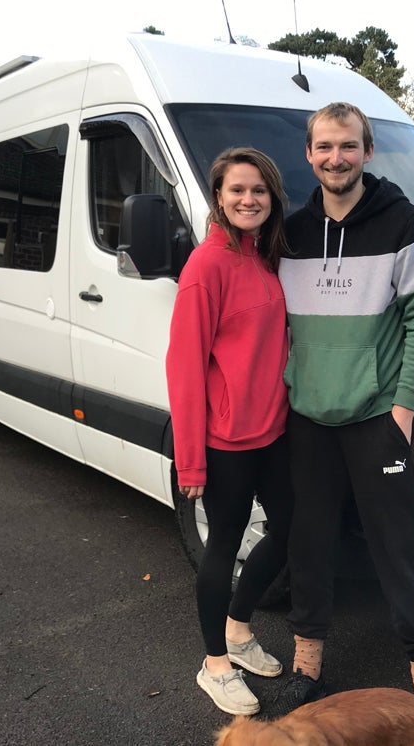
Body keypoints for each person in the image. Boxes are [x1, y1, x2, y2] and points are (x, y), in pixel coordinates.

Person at [273, 102, 414, 722]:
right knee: (310, 543)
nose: (335, 158)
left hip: (379, 417)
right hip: (308, 421)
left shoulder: (404, 224)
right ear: (309, 154)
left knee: (399, 546)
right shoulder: (291, 234)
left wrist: (403, 408)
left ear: (367, 151)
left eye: (347, 146)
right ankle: (306, 666)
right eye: (324, 147)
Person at [165, 147, 293, 716]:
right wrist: (190, 460)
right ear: (218, 196)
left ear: (272, 199)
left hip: (274, 433)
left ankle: (239, 629)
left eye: (259, 191)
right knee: (223, 545)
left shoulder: (266, 258)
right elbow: (185, 367)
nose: (249, 199)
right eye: (238, 190)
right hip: (225, 441)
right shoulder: (207, 266)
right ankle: (214, 663)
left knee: (289, 530)